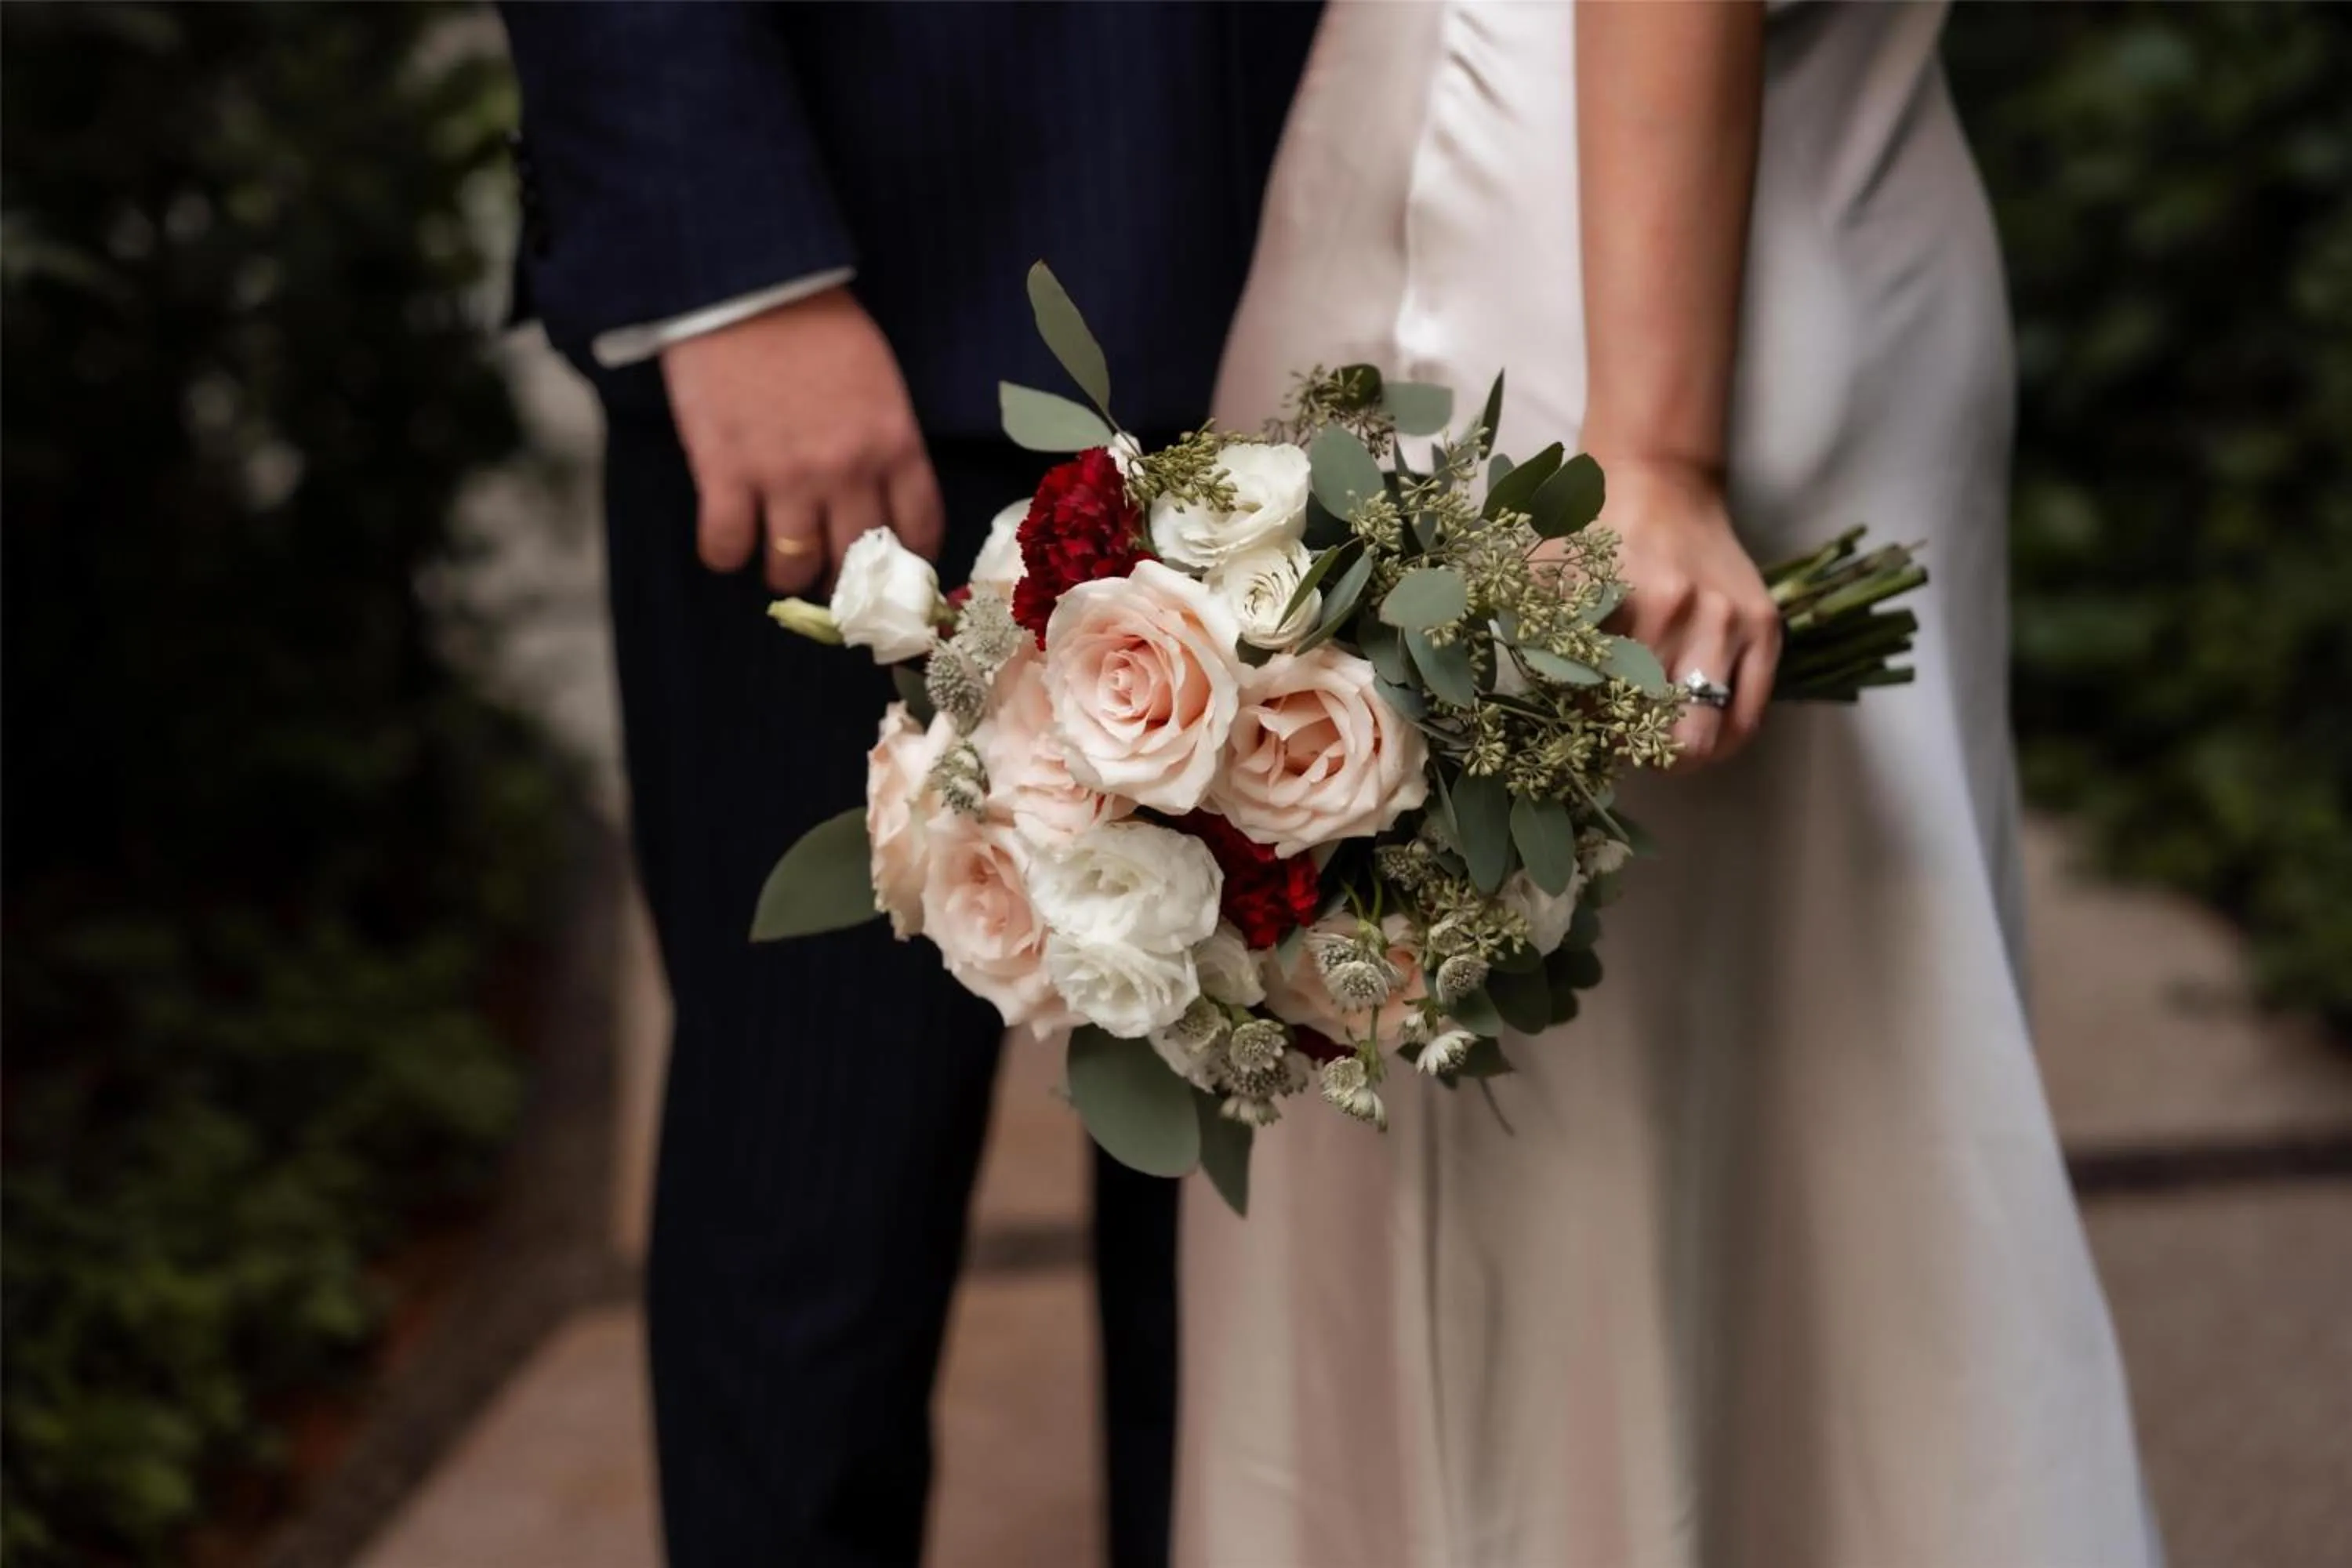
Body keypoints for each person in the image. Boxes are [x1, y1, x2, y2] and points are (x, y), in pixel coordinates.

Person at [1181, 3, 2162, 1564]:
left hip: (1586, 273)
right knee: (1845, 1101)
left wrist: (1654, 455)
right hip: (1830, 198)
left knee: (1587, 1179)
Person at [493, 5, 1319, 1565]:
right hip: (864, 321)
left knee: (1279, 1281)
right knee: (815, 1216)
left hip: (1356, 291)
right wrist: (730, 260)